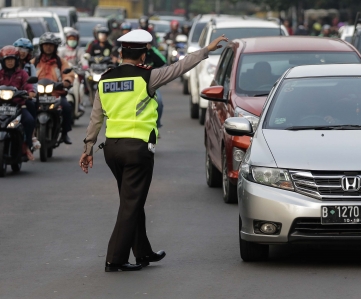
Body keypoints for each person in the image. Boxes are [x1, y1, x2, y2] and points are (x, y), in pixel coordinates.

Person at [79, 29, 228, 272]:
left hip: (112, 150)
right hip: (136, 150)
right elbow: (179, 68)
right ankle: (114, 259)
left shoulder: (105, 79)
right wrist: (206, 51)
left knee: (131, 201)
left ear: (122, 52)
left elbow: (95, 119)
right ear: (143, 55)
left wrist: (87, 148)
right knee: (131, 204)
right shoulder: (146, 77)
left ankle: (143, 252)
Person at [0, 46, 36, 160]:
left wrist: (30, 92)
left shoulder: (23, 74)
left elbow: (28, 86)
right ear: (2, 61)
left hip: (17, 106)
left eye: (12, 59)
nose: (10, 62)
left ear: (16, 60)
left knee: (29, 120)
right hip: (0, 106)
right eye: (7, 60)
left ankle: (27, 146)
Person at [32, 33, 75, 144]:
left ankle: (65, 133)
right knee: (28, 108)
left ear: (55, 47)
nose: (48, 47)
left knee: (66, 107)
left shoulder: (61, 62)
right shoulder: (35, 62)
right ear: (41, 46)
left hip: (56, 93)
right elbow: (26, 74)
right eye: (46, 45)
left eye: (51, 45)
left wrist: (66, 81)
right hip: (38, 94)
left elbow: (69, 73)